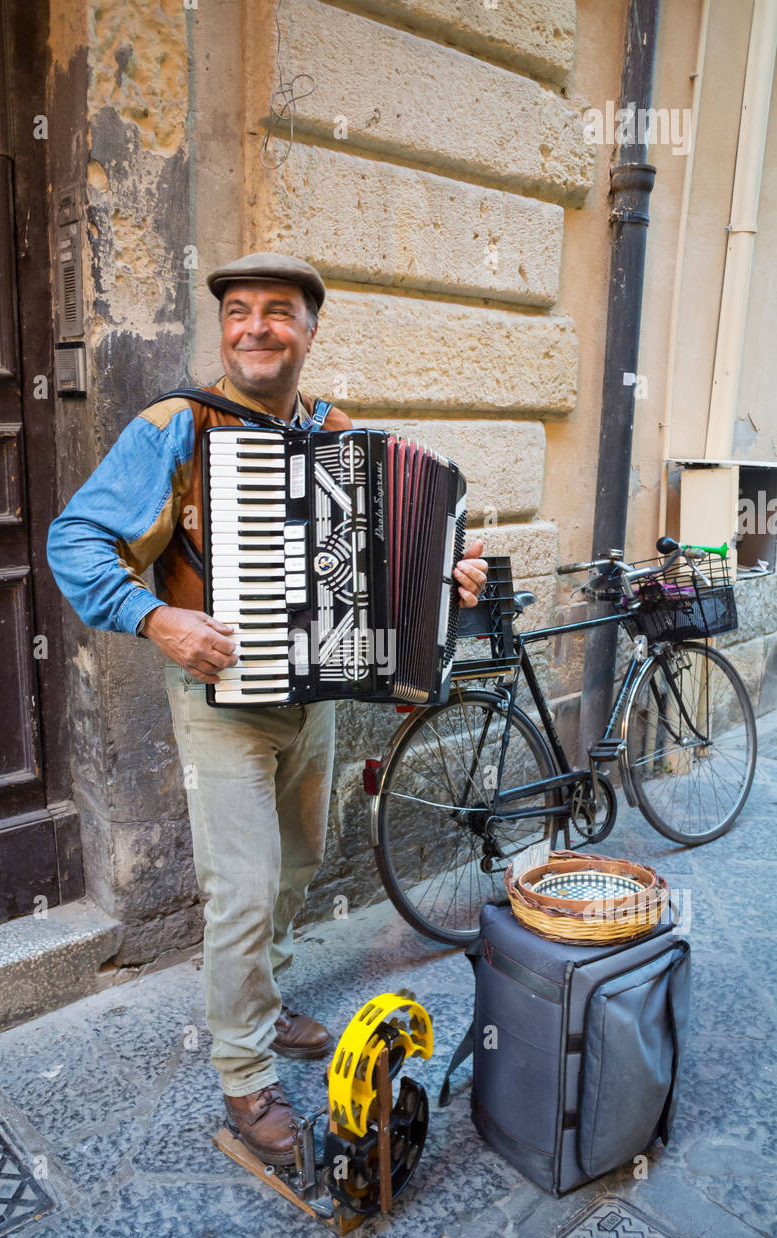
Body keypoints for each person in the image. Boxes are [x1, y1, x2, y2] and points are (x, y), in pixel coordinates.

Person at [47, 253, 488, 1166]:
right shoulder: (178, 426)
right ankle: (244, 1070)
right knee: (242, 889)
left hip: (316, 695)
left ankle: (269, 995)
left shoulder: (338, 430)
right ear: (223, 331)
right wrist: (156, 616)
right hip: (223, 697)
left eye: (278, 313)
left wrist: (452, 578)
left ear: (310, 332)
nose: (256, 328)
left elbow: (390, 558)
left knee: (298, 863)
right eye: (239, 312)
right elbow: (77, 538)